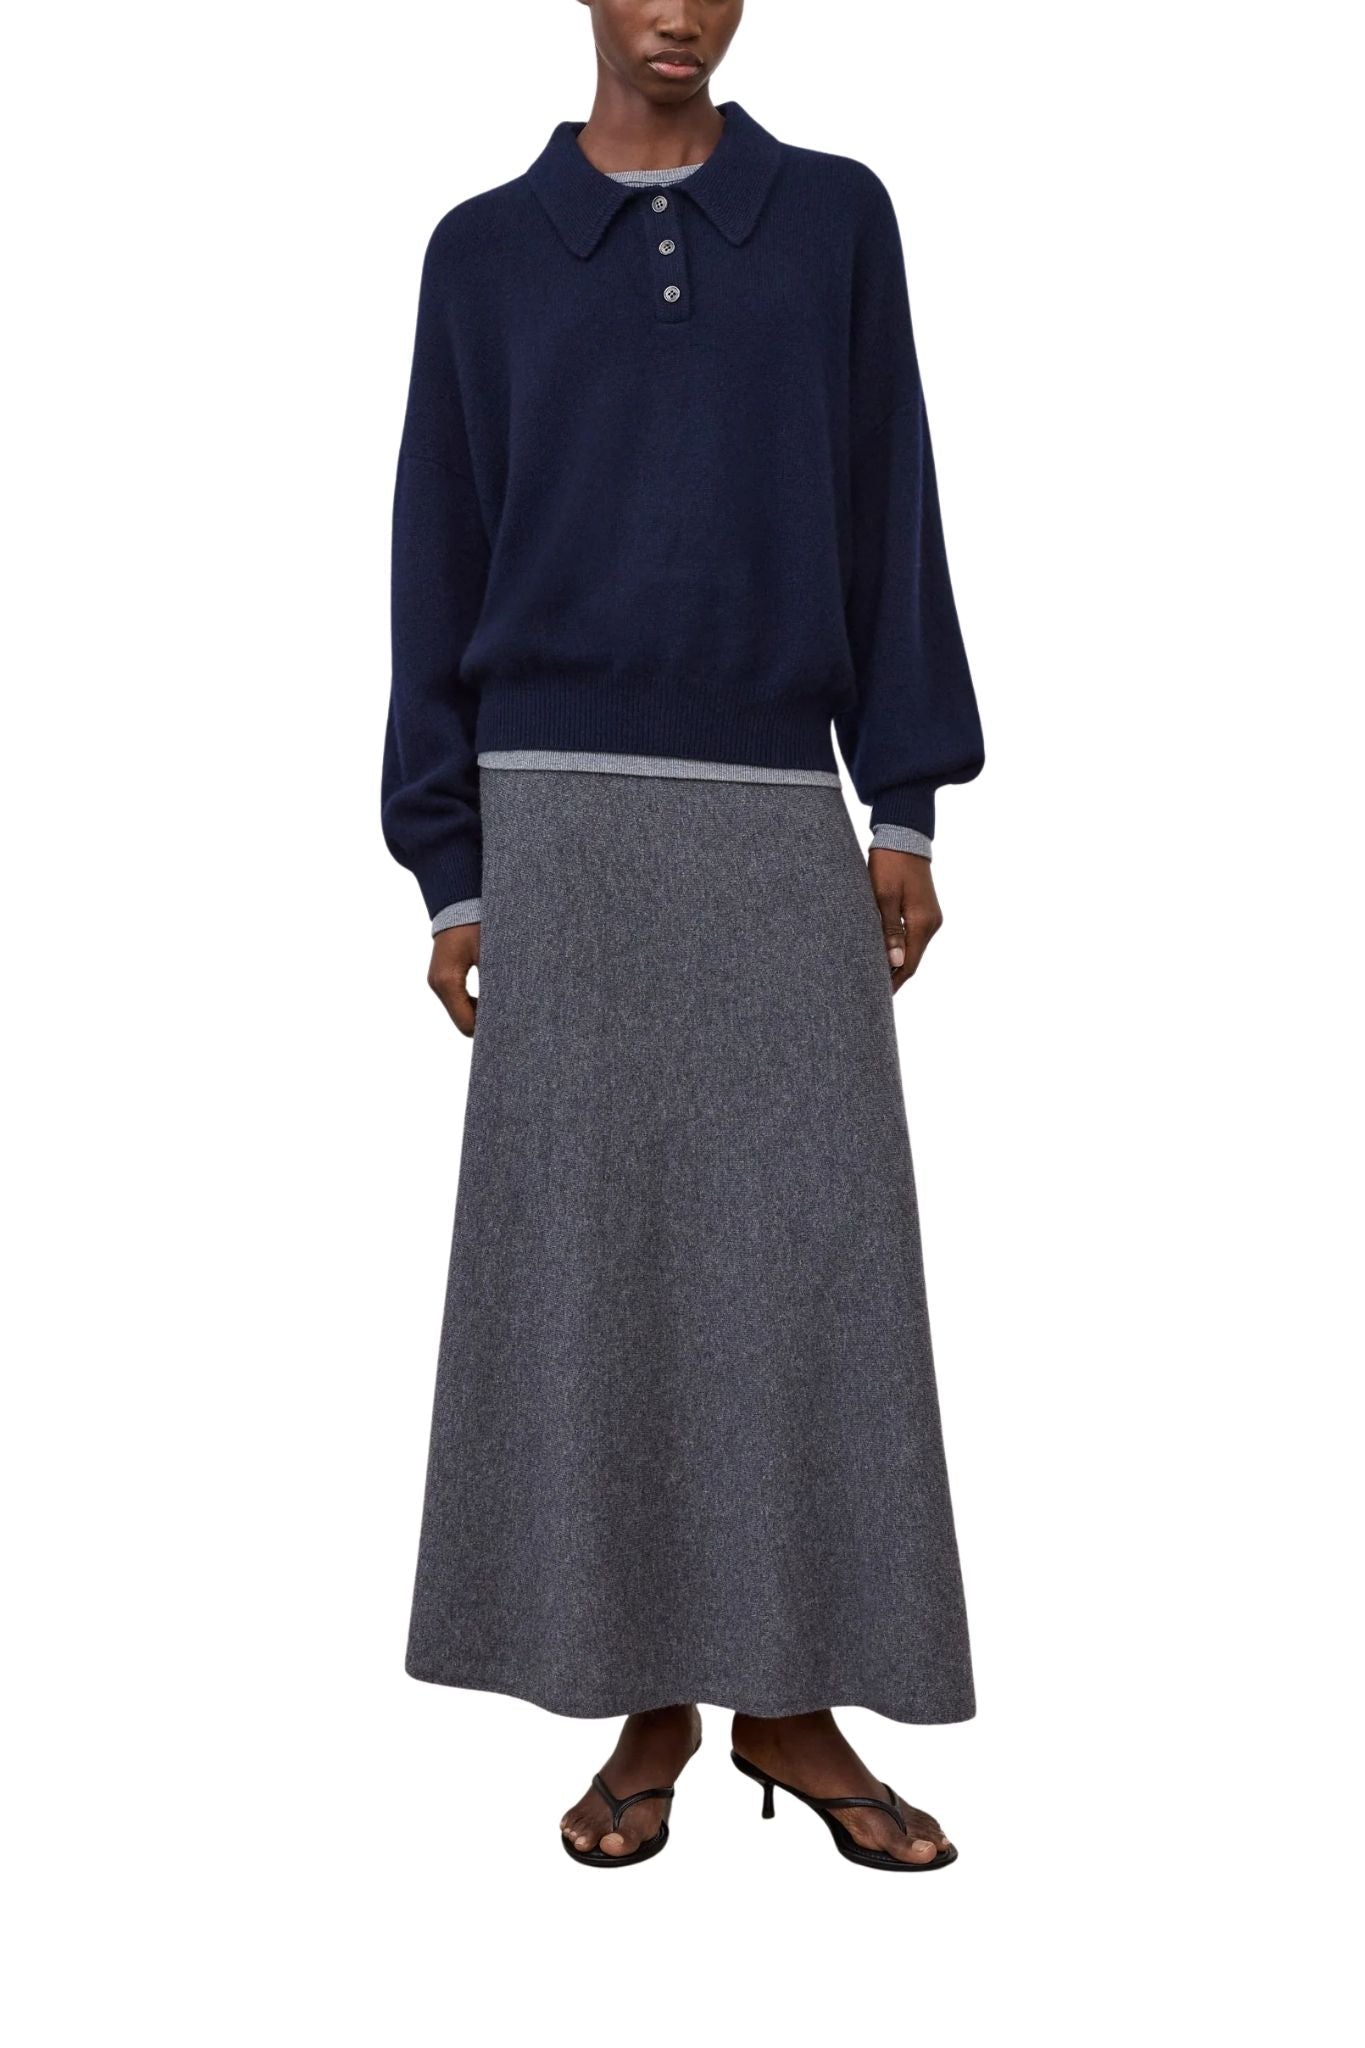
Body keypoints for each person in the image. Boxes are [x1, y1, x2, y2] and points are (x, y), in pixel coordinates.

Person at [382, 0, 984, 1872]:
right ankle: (640, 1697)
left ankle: (791, 1705)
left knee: (807, 1271)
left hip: (769, 813)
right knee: (601, 1281)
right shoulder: (483, 255)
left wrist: (901, 800)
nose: (680, 10)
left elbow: (889, 501)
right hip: (559, 826)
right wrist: (451, 864)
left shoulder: (834, 221)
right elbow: (432, 557)